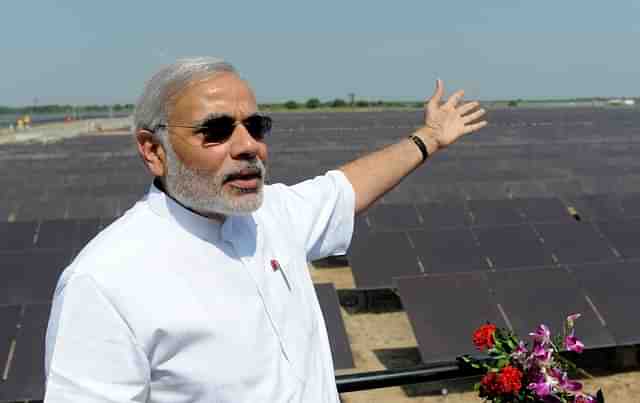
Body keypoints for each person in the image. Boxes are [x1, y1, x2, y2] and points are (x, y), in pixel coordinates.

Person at [44, 57, 487, 403]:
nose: (248, 146)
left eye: (255, 126)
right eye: (215, 131)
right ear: (153, 150)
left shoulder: (272, 215)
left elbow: (347, 188)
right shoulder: (105, 281)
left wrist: (427, 137)